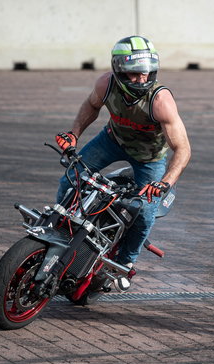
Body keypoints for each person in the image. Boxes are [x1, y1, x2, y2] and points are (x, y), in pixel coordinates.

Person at [54, 36, 191, 289]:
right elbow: (91, 106)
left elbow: (183, 149)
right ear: (118, 70)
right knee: (72, 177)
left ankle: (125, 263)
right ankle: (59, 230)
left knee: (146, 210)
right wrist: (74, 134)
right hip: (111, 140)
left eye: (146, 73)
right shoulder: (106, 84)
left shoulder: (160, 101)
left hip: (149, 159)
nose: (142, 79)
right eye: (134, 74)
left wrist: (164, 184)